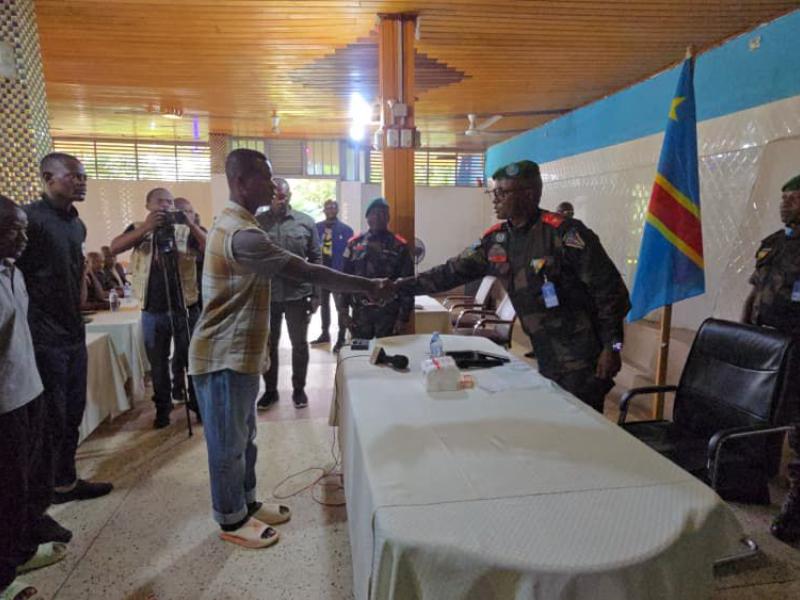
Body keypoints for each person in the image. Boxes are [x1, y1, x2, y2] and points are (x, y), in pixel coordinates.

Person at [188, 148, 394, 549]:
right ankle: (231, 520)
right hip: (221, 355)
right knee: (227, 445)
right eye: (264, 177)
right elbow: (306, 270)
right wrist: (369, 285)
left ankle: (245, 503)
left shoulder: (243, 224)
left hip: (239, 353)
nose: (273, 184)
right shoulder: (242, 234)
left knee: (244, 438)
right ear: (241, 182)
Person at [397, 160, 630, 413]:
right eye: (493, 192)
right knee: (557, 424)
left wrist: (613, 347)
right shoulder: (497, 239)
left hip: (583, 358)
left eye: (502, 193)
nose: (495, 199)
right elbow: (449, 272)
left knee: (583, 427)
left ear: (529, 194)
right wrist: (397, 287)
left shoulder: (564, 235)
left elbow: (612, 293)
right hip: (545, 353)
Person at [15, 153, 113, 505]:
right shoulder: (29, 220)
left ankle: (65, 481)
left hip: (72, 330)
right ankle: (40, 494)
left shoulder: (75, 223)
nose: (82, 182)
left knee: (72, 409)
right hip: (43, 334)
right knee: (51, 417)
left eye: (84, 176)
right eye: (74, 176)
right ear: (47, 177)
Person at [0, 196, 69, 600]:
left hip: (28, 391)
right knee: (6, 489)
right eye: (13, 230)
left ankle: (19, 552)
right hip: (4, 402)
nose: (24, 238)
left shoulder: (14, 272)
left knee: (26, 483)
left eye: (25, 228)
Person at [110, 188, 207, 428]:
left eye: (170, 202)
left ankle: (197, 406)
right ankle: (162, 408)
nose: (166, 206)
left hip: (185, 307)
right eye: (160, 202)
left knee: (192, 361)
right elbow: (114, 248)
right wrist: (146, 228)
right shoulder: (137, 228)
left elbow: (210, 247)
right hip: (152, 310)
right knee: (158, 364)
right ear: (148, 205)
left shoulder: (185, 229)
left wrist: (191, 224)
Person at [742, 173, 800, 543]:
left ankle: (796, 504)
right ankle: (752, 479)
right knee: (762, 413)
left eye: (793, 197)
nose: (785, 203)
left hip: (798, 347)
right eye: (783, 197)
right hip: (767, 345)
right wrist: (744, 330)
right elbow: (755, 290)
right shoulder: (773, 243)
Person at [256, 179, 321, 410]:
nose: (279, 201)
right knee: (269, 346)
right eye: (274, 197)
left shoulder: (306, 222)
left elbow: (316, 260)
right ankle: (271, 391)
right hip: (267, 296)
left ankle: (299, 390)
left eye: (283, 196)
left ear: (290, 196)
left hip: (298, 294)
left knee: (300, 345)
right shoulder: (257, 223)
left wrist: (316, 295)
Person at [342, 197, 414, 340]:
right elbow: (345, 278)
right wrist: (343, 310)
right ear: (367, 217)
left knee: (387, 354)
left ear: (388, 218)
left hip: (388, 313)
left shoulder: (399, 246)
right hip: (360, 312)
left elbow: (407, 283)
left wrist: (403, 317)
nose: (379, 218)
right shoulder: (354, 244)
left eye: (383, 214)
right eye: (374, 214)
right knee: (359, 353)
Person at [312, 199, 354, 352]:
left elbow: (350, 253)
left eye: (333, 207)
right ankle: (324, 334)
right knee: (324, 306)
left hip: (338, 275)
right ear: (324, 210)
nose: (330, 209)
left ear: (337, 210)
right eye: (328, 207)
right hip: (322, 273)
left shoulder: (346, 230)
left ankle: (341, 337)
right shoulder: (317, 228)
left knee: (340, 306)